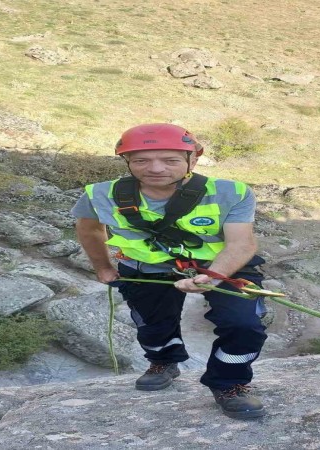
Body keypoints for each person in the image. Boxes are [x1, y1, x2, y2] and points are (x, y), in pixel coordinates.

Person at [71, 123, 268, 420]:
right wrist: (103, 268)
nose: (155, 168)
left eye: (170, 160)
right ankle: (163, 361)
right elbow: (89, 230)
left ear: (193, 159)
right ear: (127, 161)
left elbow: (241, 244)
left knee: (244, 324)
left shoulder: (231, 193)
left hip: (221, 266)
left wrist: (212, 276)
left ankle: (230, 383)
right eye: (141, 160)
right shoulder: (100, 194)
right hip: (144, 266)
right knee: (152, 323)